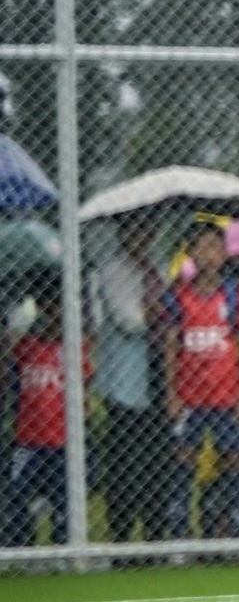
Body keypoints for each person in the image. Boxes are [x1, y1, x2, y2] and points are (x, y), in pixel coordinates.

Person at [160, 220, 239, 540]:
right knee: (185, 458)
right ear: (190, 253)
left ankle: (231, 526)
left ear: (224, 253)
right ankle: (181, 530)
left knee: (232, 457)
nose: (209, 254)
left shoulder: (235, 295)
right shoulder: (177, 295)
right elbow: (171, 345)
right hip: (190, 395)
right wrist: (172, 393)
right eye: (201, 247)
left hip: (228, 393)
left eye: (215, 247)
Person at [92, 215, 169, 543]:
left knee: (157, 460)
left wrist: (162, 312)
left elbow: (170, 313)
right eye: (134, 229)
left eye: (147, 228)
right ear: (122, 233)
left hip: (159, 373)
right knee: (125, 460)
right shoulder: (111, 271)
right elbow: (131, 320)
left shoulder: (159, 267)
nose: (142, 235)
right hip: (126, 379)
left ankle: (154, 535)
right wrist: (160, 311)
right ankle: (121, 536)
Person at [3, 284, 86, 548]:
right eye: (46, 308)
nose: (52, 315)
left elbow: (86, 383)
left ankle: (64, 546)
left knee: (65, 497)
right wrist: (14, 334)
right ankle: (22, 545)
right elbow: (6, 365)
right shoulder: (26, 346)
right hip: (28, 438)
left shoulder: (74, 348)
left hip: (63, 438)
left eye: (57, 309)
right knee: (17, 492)